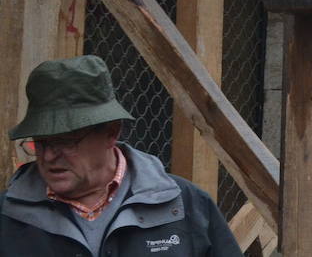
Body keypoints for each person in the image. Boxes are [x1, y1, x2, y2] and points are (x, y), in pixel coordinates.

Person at [2, 55, 242, 256]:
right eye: (42, 142)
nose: (50, 156)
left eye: (66, 141)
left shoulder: (186, 205)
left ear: (111, 133)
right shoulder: (7, 215)